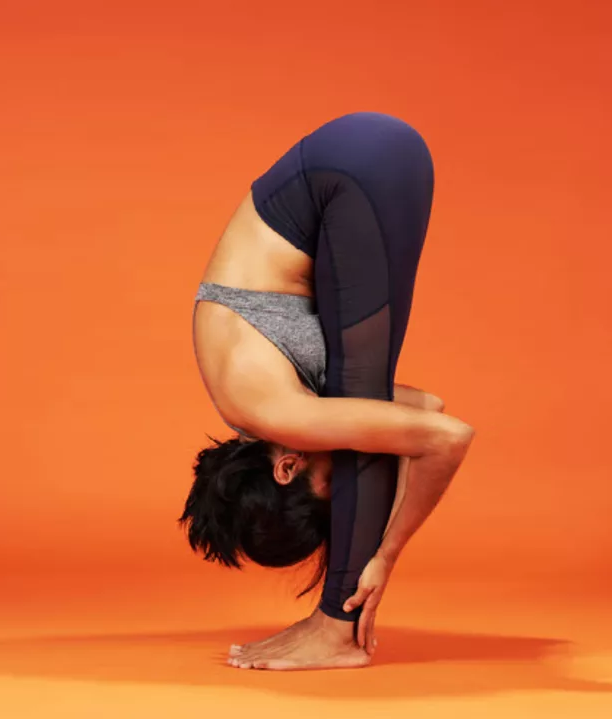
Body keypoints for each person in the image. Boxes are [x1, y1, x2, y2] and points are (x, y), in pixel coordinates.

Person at [183, 112, 475, 670]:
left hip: (358, 168)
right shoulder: (269, 405)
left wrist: (385, 557)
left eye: (329, 485)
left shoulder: (277, 411)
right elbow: (425, 412)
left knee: (359, 394)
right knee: (361, 403)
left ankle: (337, 630)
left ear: (287, 469)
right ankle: (333, 626)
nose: (337, 472)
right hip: (358, 156)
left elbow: (447, 437)